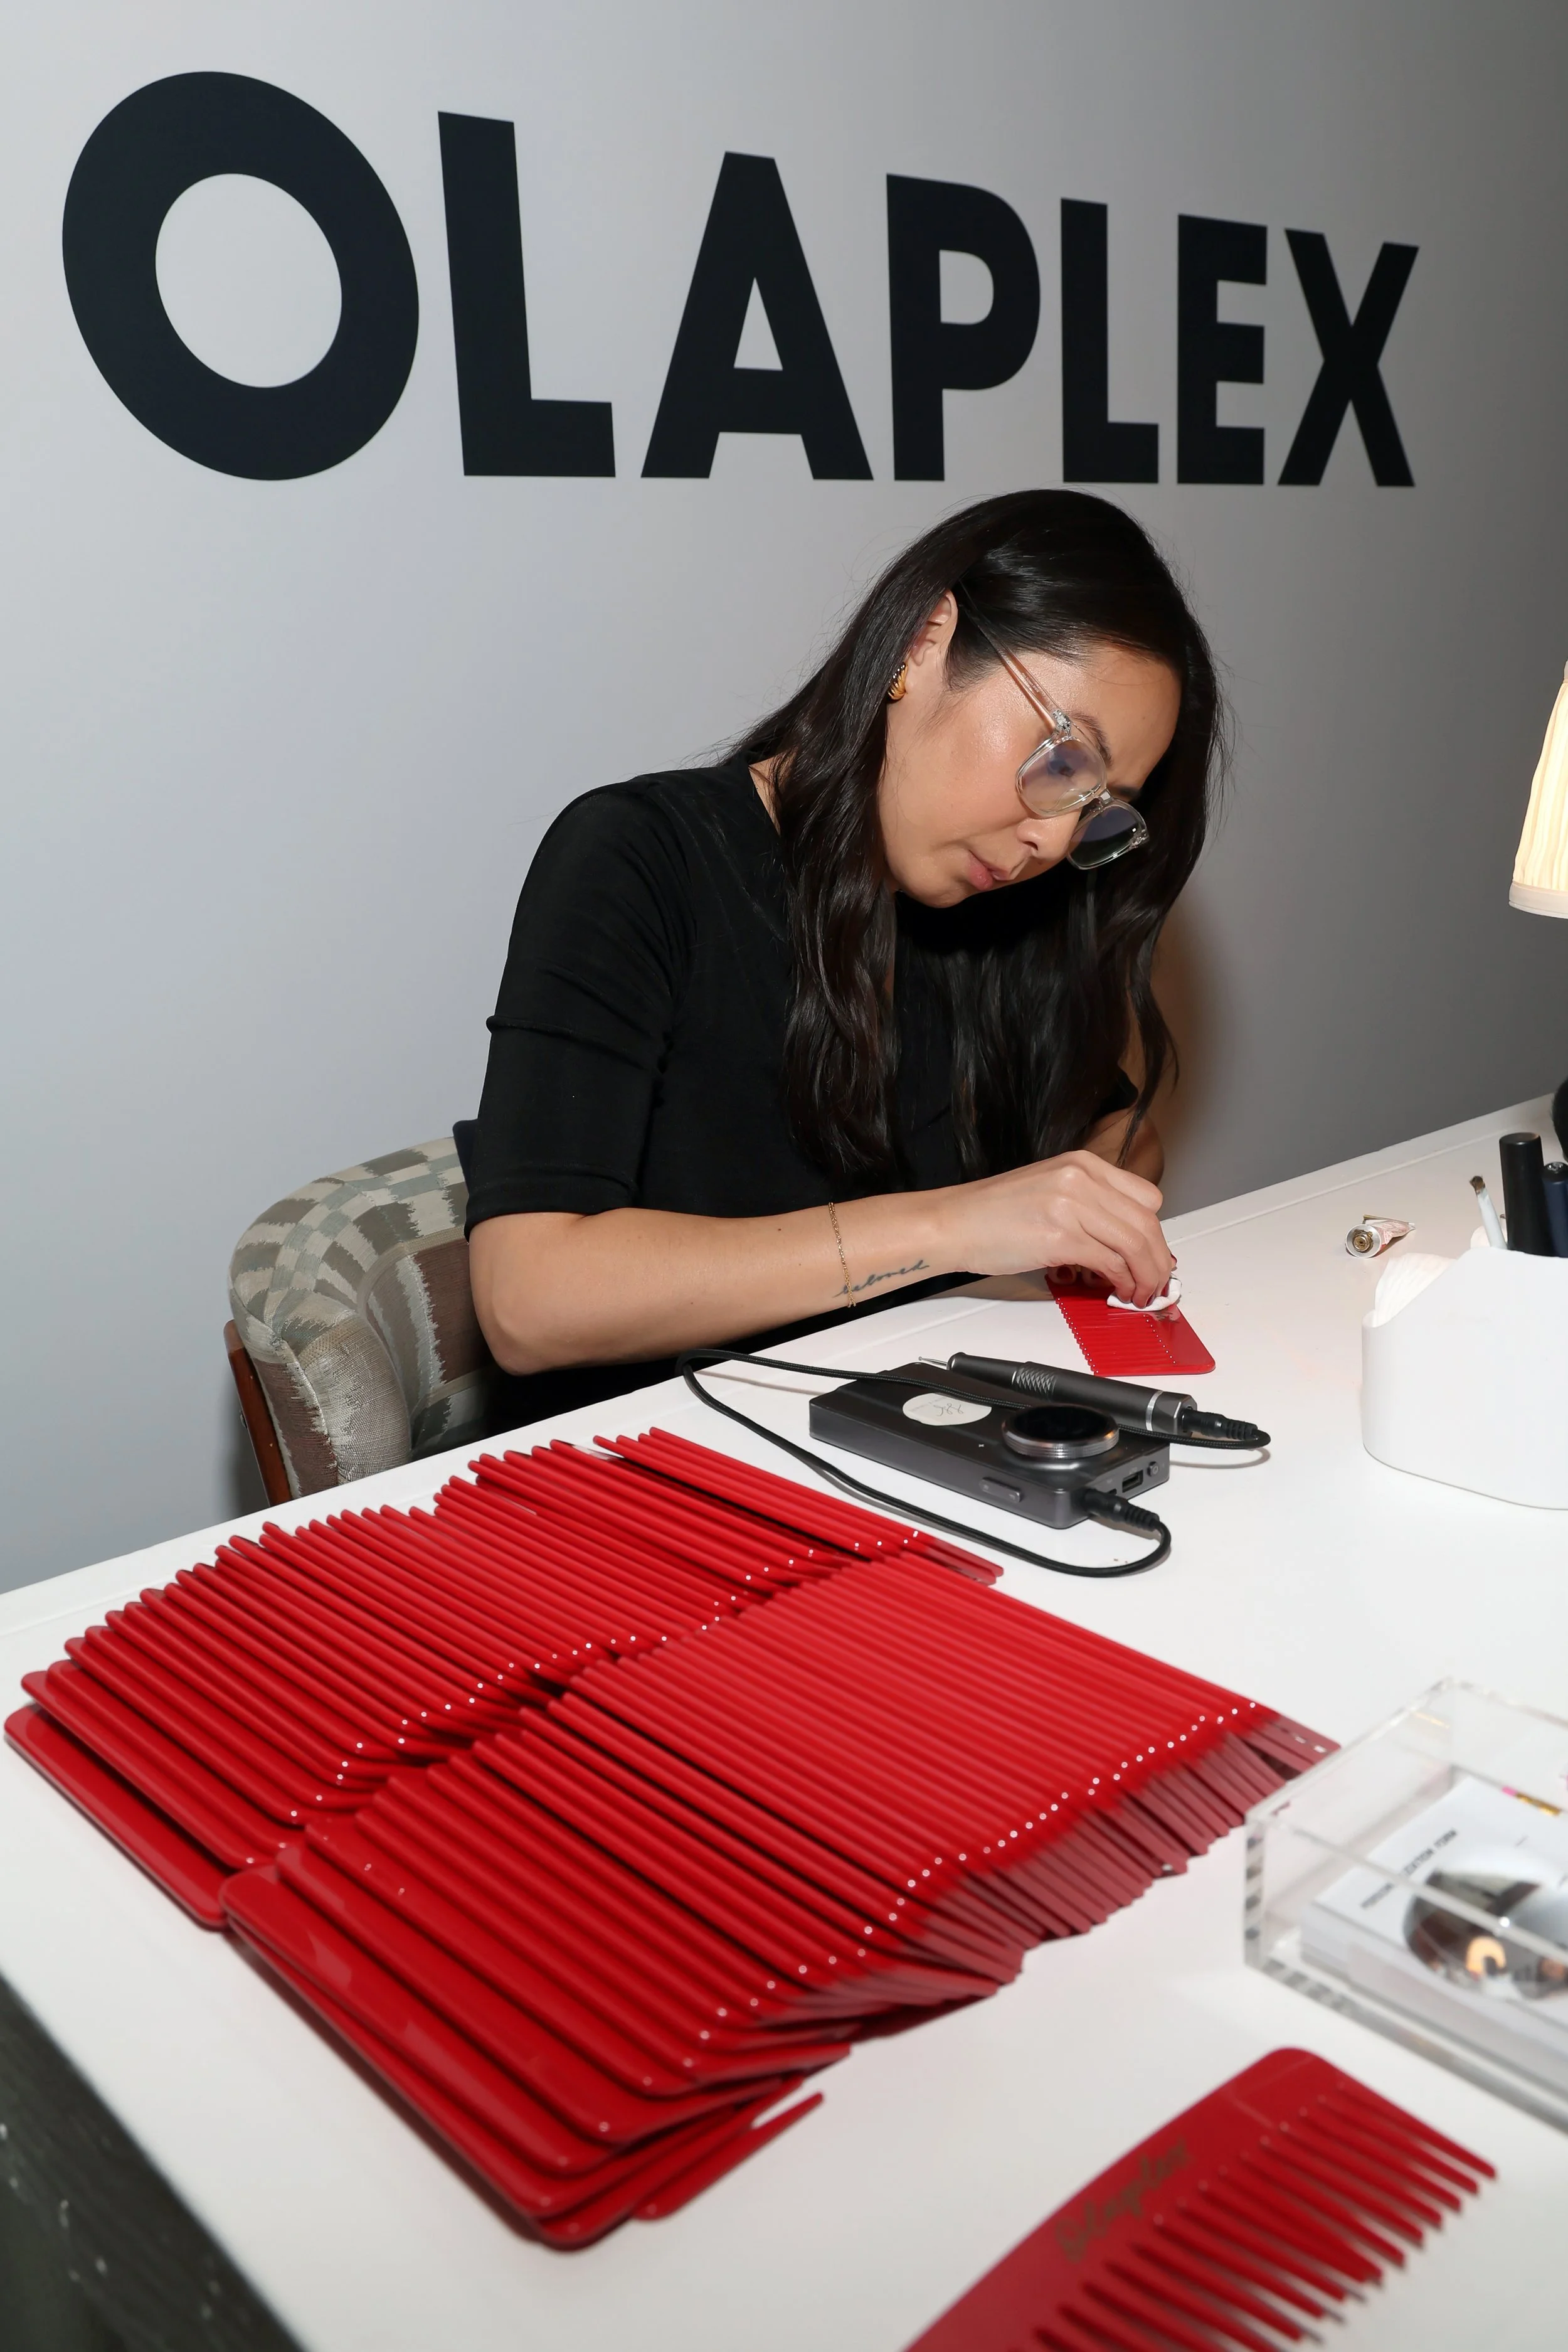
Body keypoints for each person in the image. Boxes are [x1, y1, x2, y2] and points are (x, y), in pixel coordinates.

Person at [465, 489, 1223, 1419]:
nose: (1056, 844)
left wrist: (1074, 1212)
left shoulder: (995, 914)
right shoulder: (640, 860)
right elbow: (528, 1298)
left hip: (882, 1449)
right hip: (647, 1477)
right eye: (1064, 762)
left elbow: (1119, 1137)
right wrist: (955, 1226)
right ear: (924, 641)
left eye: (1097, 806)